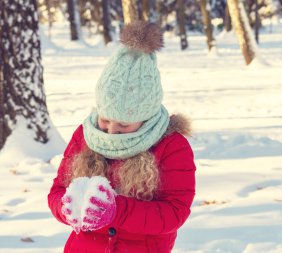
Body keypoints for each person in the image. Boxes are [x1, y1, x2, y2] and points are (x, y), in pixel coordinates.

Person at [47, 21, 196, 253]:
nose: (111, 131)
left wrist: (116, 210)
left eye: (124, 124)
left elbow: (174, 212)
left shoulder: (172, 146)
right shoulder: (86, 134)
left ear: (146, 117)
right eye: (105, 119)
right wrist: (65, 206)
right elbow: (58, 190)